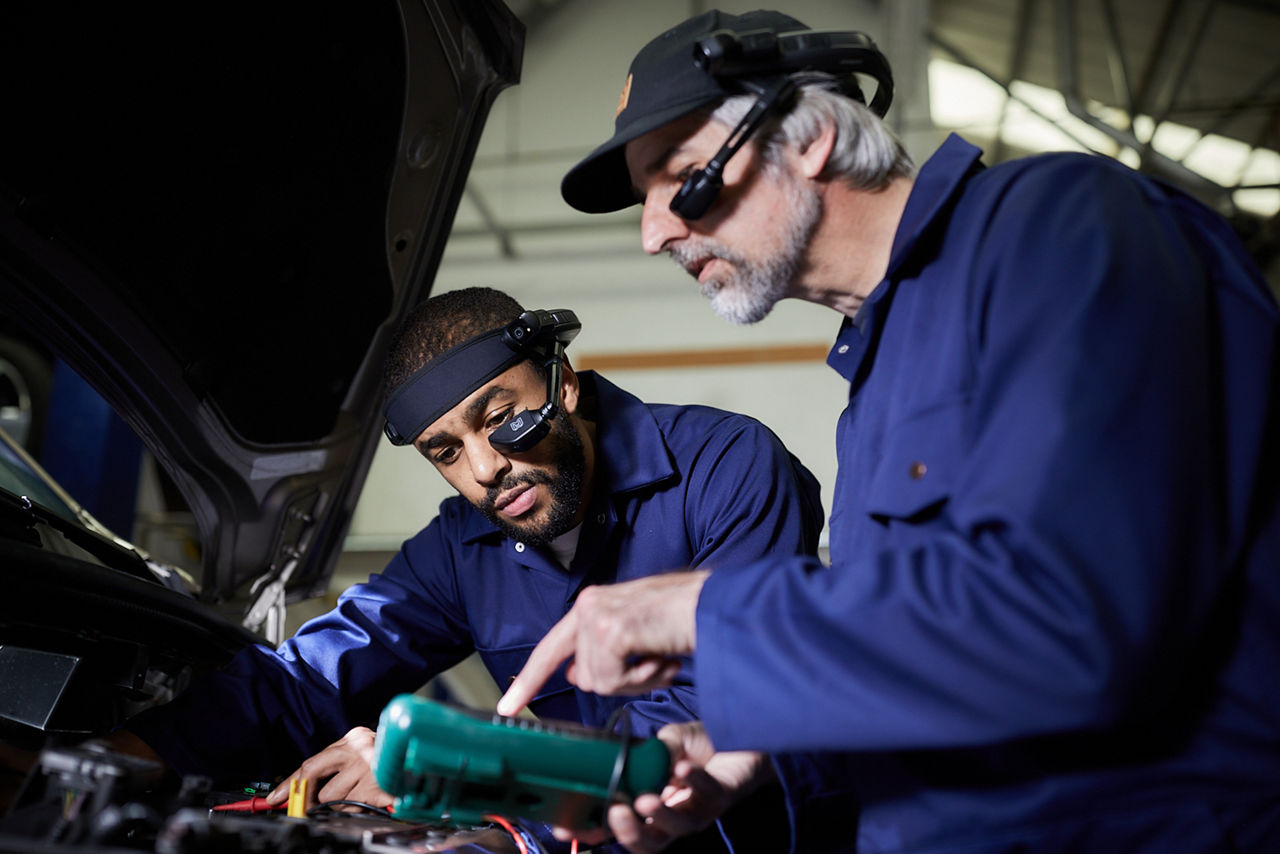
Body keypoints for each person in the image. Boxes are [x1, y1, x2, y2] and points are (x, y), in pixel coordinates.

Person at [498, 8, 1280, 854]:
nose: (653, 233)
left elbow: (1069, 619)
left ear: (811, 138)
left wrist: (705, 610)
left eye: (680, 177)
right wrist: (747, 746)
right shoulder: (873, 383)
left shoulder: (1059, 226)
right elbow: (945, 657)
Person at [118, 286, 823, 852]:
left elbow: (716, 703)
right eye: (445, 452)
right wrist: (126, 753)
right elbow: (309, 679)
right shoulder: (459, 548)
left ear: (565, 385)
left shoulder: (726, 468)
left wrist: (467, 774)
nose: (486, 469)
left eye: (499, 417)